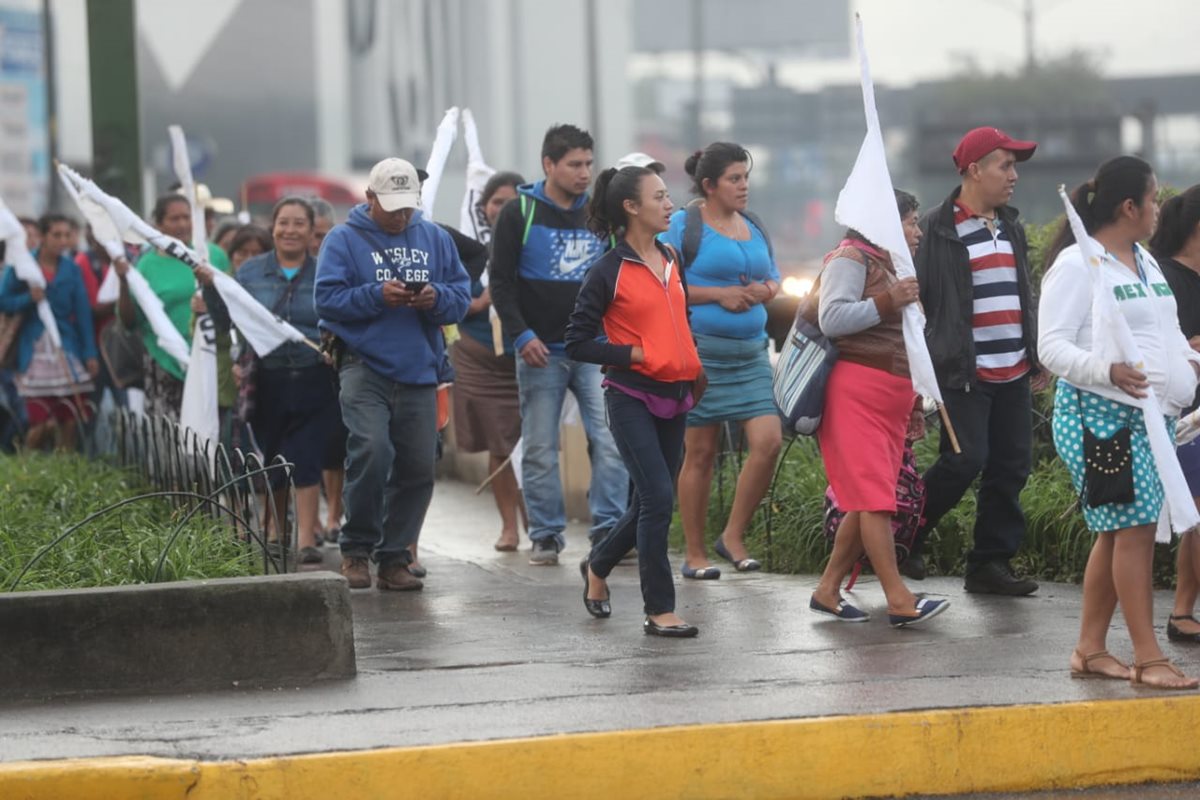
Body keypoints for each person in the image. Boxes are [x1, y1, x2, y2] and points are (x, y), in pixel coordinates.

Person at [1040, 156, 1200, 689]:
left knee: (1115, 535)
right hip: (1100, 418)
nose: (1159, 209)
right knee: (1131, 532)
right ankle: (1149, 655)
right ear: (1129, 206)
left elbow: (1169, 331)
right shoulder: (1077, 264)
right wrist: (1106, 370)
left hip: (1153, 418)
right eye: (1154, 200)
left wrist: (1188, 365)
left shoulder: (1147, 263)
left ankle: (1089, 649)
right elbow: (1052, 348)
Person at [315, 157, 470, 591]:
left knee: (419, 467)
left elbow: (461, 297)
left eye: (408, 207)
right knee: (372, 451)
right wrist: (376, 295)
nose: (401, 216)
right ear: (369, 198)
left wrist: (435, 297)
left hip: (420, 368)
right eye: (392, 207)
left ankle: (395, 556)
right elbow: (327, 300)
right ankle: (356, 550)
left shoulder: (434, 237)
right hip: (363, 366)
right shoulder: (342, 240)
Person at [566, 165, 704, 637]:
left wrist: (693, 367)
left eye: (668, 196)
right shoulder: (607, 271)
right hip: (630, 396)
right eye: (660, 197)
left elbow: (680, 322)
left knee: (651, 500)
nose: (669, 205)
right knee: (658, 498)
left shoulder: (670, 257)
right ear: (631, 207)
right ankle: (659, 609)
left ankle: (597, 564)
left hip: (676, 395)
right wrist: (633, 353)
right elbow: (577, 342)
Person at [907, 126, 1042, 595]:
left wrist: (1035, 351)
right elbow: (915, 304)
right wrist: (915, 374)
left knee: (1011, 466)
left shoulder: (1011, 228)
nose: (1013, 177)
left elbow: (1023, 293)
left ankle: (989, 563)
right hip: (963, 371)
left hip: (1014, 370)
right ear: (974, 170)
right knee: (964, 461)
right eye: (1005, 165)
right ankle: (905, 535)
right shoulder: (937, 230)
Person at [809, 191, 950, 627]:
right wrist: (890, 302)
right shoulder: (851, 258)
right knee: (875, 500)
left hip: (889, 398)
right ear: (884, 224)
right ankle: (898, 597)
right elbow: (831, 318)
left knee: (867, 499)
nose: (918, 231)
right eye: (909, 222)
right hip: (856, 393)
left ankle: (828, 590)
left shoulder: (893, 266)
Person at [488, 124, 628, 566]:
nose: (585, 173)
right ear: (549, 165)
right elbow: (501, 282)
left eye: (589, 163)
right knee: (542, 446)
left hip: (594, 350)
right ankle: (546, 534)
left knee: (610, 440)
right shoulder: (519, 212)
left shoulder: (601, 213)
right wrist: (521, 334)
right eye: (574, 165)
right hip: (540, 351)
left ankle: (608, 527)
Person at [661, 142, 781, 579]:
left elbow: (775, 276)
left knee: (767, 441)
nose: (744, 186)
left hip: (751, 354)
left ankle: (733, 534)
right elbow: (661, 283)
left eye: (746, 177)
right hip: (701, 354)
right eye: (734, 178)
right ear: (710, 185)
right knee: (701, 453)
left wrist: (764, 291)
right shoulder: (682, 225)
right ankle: (694, 553)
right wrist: (719, 294)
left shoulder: (752, 223)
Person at [205, 197, 335, 565]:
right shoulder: (250, 273)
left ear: (312, 231)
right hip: (266, 377)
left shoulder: (326, 270)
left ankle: (307, 537)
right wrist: (211, 289)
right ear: (272, 227)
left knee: (308, 455)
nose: (290, 230)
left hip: (316, 375)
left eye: (299, 224)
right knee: (275, 455)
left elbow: (339, 315)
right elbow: (233, 320)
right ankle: (278, 530)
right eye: (284, 223)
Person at [451, 171, 527, 551]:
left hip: (528, 355)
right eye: (496, 201)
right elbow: (448, 297)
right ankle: (509, 527)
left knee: (535, 443)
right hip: (480, 357)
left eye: (511, 201)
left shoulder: (533, 242)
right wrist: (482, 300)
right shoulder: (466, 249)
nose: (503, 209)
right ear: (484, 208)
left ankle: (541, 527)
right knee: (500, 441)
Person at [116, 194, 231, 421]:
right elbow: (130, 321)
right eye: (174, 219)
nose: (182, 224)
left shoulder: (213, 255)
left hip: (210, 358)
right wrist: (123, 282)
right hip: (166, 363)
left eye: (187, 218)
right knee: (173, 440)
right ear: (158, 225)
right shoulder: (146, 265)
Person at [0, 213, 99, 451]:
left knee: (69, 419)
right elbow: (4, 301)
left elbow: (82, 313)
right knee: (39, 421)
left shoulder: (71, 269)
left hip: (66, 347)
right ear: (43, 237)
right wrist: (28, 298)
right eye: (56, 235)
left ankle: (65, 469)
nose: (63, 241)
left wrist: (89, 354)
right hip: (33, 350)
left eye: (66, 235)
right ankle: (28, 468)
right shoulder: (23, 266)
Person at [1150, 184, 1200, 644]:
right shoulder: (1161, 277)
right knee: (1195, 516)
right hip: (1184, 420)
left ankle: (1184, 611)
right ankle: (1181, 611)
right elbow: (1161, 344)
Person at [309, 197, 345, 543]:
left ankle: (335, 513)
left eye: (324, 235)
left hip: (336, 362)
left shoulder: (341, 259)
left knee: (337, 444)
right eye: (314, 236)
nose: (318, 244)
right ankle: (314, 520)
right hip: (301, 365)